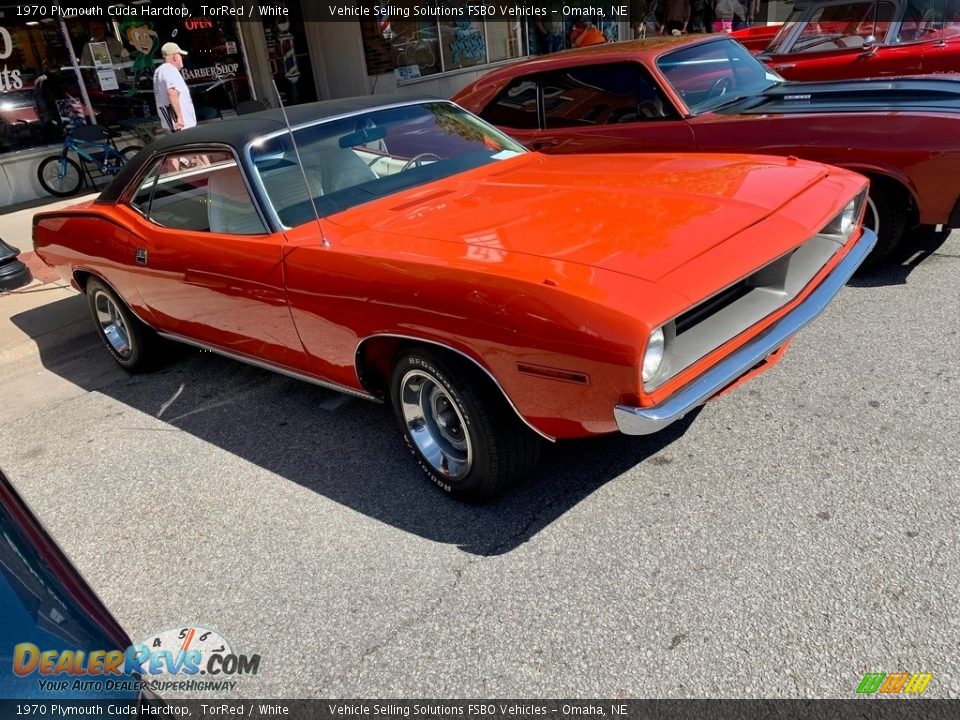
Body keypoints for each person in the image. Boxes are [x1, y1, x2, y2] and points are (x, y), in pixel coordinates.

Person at [153, 42, 195, 132]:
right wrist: (179, 118)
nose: (182, 58)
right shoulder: (170, 70)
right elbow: (171, 92)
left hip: (170, 124)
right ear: (174, 57)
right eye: (180, 55)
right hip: (181, 125)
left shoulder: (159, 71)